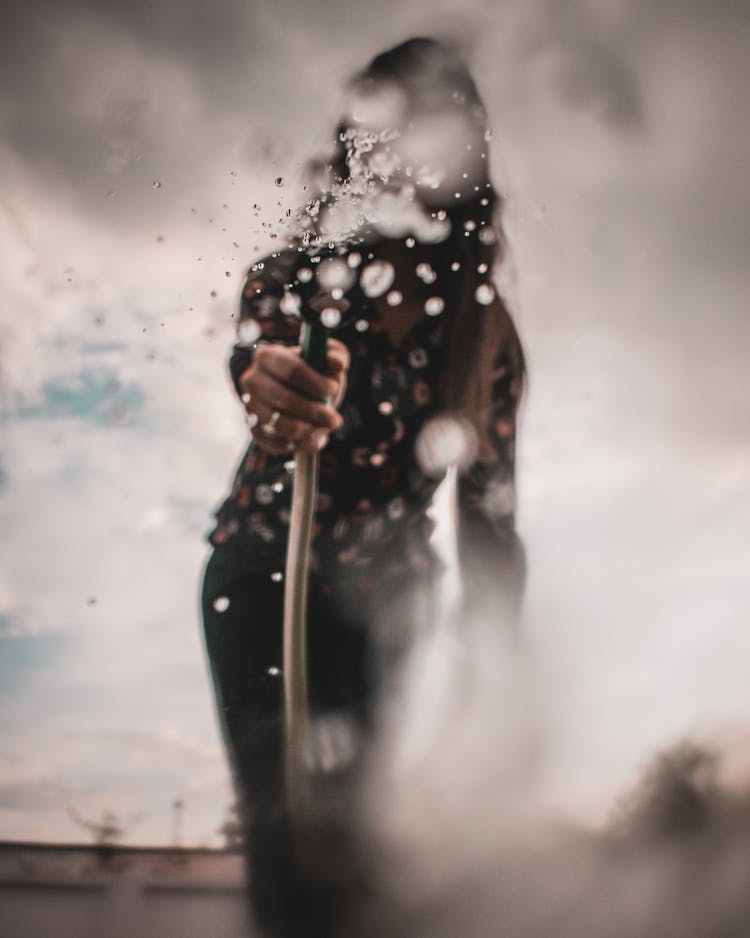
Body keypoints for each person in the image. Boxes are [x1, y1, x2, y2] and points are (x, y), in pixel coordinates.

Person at [201, 36, 526, 938]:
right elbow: (256, 365)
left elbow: (492, 524)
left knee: (359, 851)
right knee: (285, 835)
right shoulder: (292, 277)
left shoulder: (486, 335)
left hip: (390, 594)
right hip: (259, 572)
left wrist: (496, 675)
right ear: (360, 141)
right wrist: (271, 385)